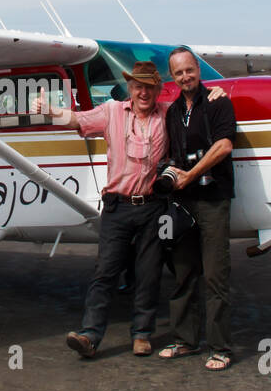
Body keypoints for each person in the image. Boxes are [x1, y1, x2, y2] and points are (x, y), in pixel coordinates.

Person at [35, 60, 223, 359]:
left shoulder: (168, 114)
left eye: (149, 87)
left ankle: (142, 334)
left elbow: (195, 106)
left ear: (158, 89)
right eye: (138, 86)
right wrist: (49, 111)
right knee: (105, 272)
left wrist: (217, 92)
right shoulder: (111, 112)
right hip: (117, 206)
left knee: (148, 273)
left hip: (152, 208)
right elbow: (76, 120)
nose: (143, 92)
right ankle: (90, 335)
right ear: (130, 88)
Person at [156, 45, 237, 370]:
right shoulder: (173, 112)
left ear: (197, 70)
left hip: (213, 200)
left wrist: (189, 174)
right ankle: (185, 340)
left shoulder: (218, 102)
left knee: (216, 275)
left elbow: (224, 144)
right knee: (183, 273)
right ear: (172, 77)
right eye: (179, 73)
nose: (185, 76)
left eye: (189, 70)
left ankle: (220, 347)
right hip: (183, 203)